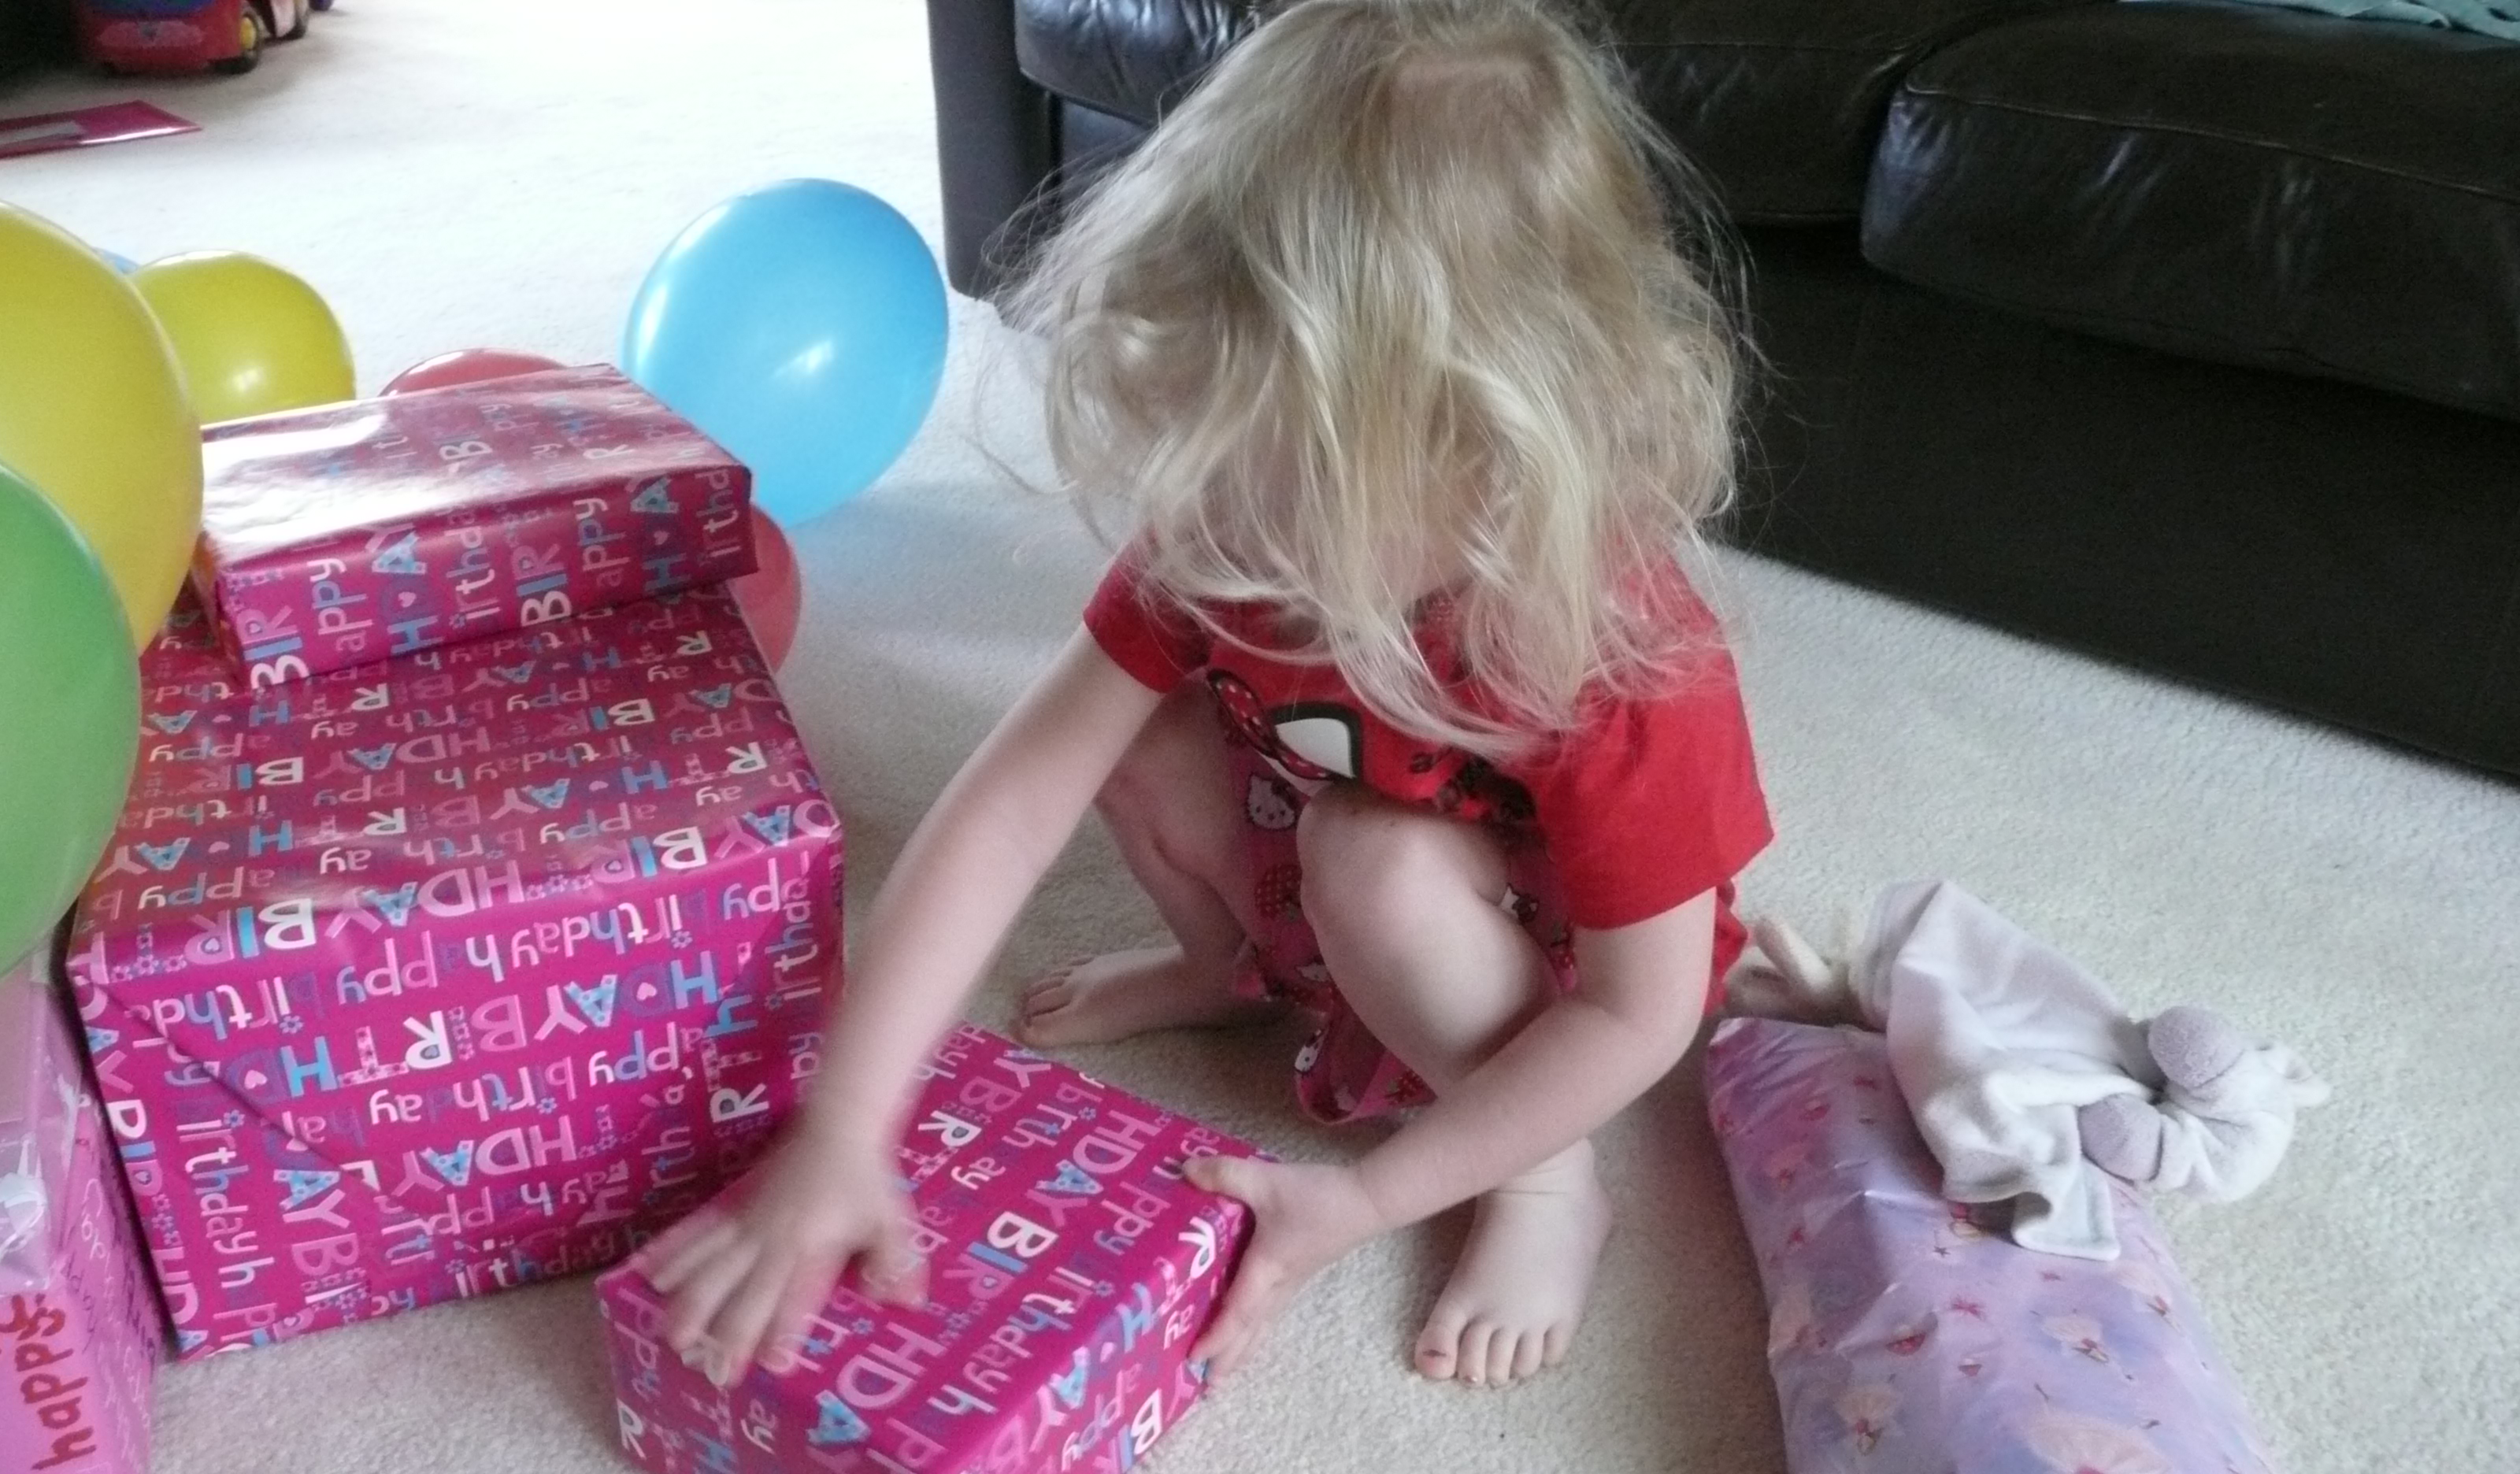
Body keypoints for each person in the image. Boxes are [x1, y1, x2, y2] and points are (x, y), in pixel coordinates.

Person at [637, 0, 1772, 1393]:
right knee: (1127, 728)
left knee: (1372, 854)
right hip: (1337, 833)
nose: (1227, 541)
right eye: (1213, 467)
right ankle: (1232, 970)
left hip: (1537, 974)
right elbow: (1008, 806)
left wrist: (1364, 1199)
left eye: (1284, 498)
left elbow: (1637, 1016)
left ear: (1497, 453)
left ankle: (1547, 1183)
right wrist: (844, 1125)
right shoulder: (1233, 529)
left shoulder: (1617, 655)